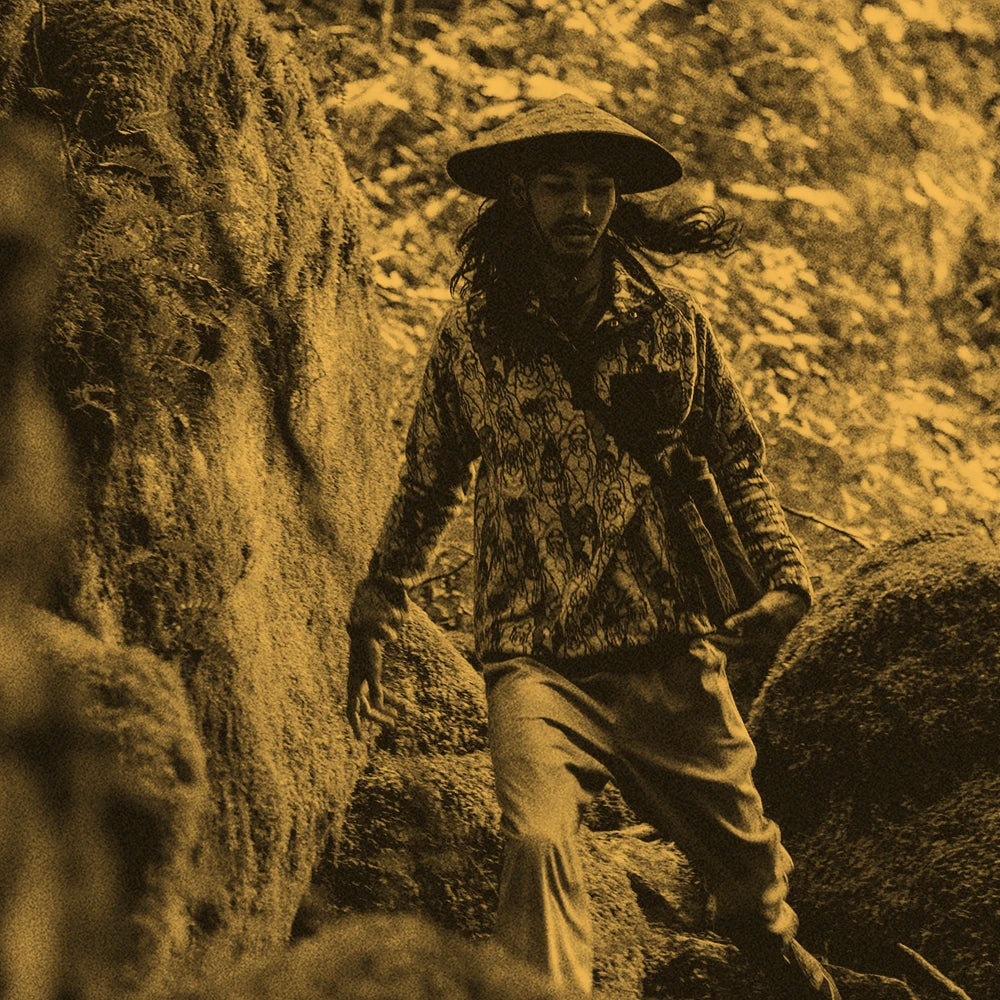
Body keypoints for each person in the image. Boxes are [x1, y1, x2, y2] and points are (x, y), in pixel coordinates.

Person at [346, 95, 840, 1000]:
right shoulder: (474, 336)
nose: (580, 208)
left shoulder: (672, 323)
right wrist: (382, 594)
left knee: (751, 888)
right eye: (557, 187)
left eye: (598, 188)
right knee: (538, 844)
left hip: (667, 650)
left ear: (618, 199)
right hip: (536, 660)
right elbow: (429, 476)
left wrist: (783, 577)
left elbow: (736, 458)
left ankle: (785, 961)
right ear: (519, 196)